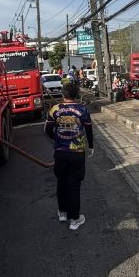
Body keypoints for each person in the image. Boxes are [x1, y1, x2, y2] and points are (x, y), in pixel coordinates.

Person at [44, 82, 93, 230]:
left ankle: (62, 212)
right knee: (74, 184)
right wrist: (90, 146)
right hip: (77, 152)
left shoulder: (55, 109)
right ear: (77, 95)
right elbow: (89, 130)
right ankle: (74, 219)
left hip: (60, 152)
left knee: (61, 182)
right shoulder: (83, 110)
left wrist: (57, 139)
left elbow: (47, 130)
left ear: (63, 94)